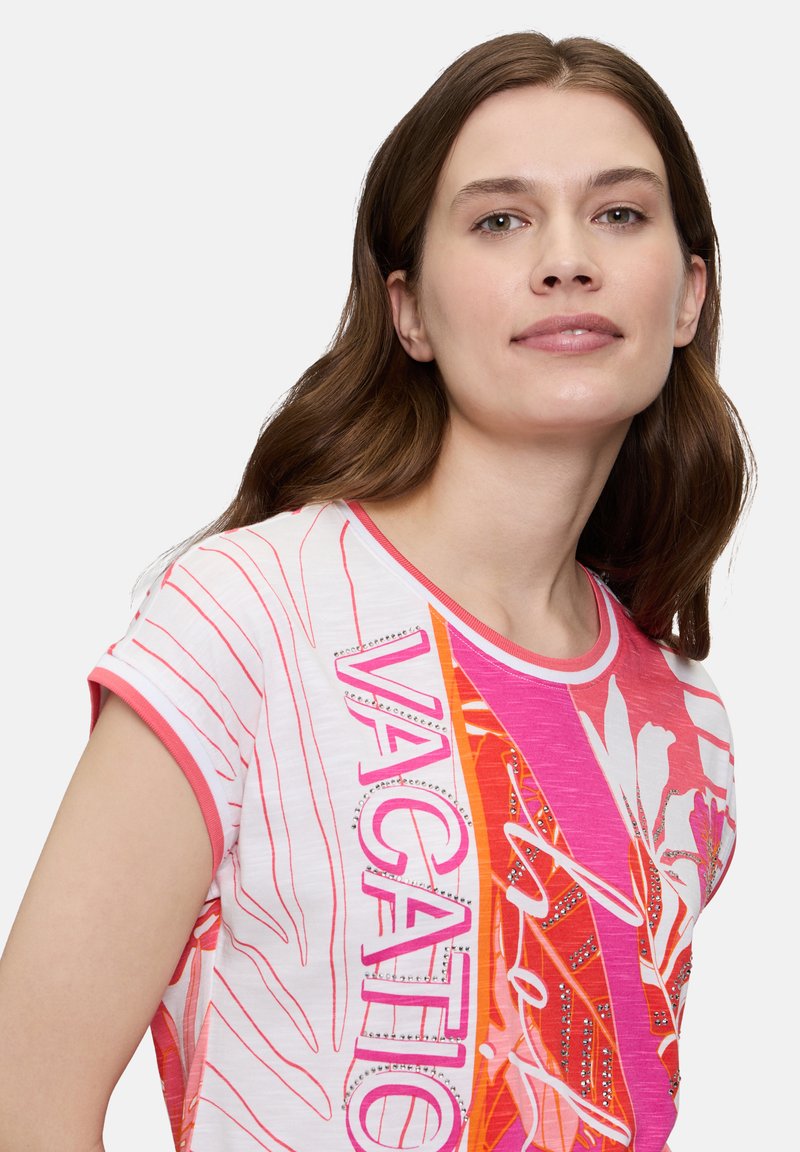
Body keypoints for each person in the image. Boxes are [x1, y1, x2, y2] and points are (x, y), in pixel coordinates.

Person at [0, 29, 752, 1152]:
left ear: (687, 296)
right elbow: (24, 1100)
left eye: (619, 213)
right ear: (408, 311)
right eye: (499, 220)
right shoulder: (250, 611)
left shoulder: (685, 726)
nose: (566, 259)